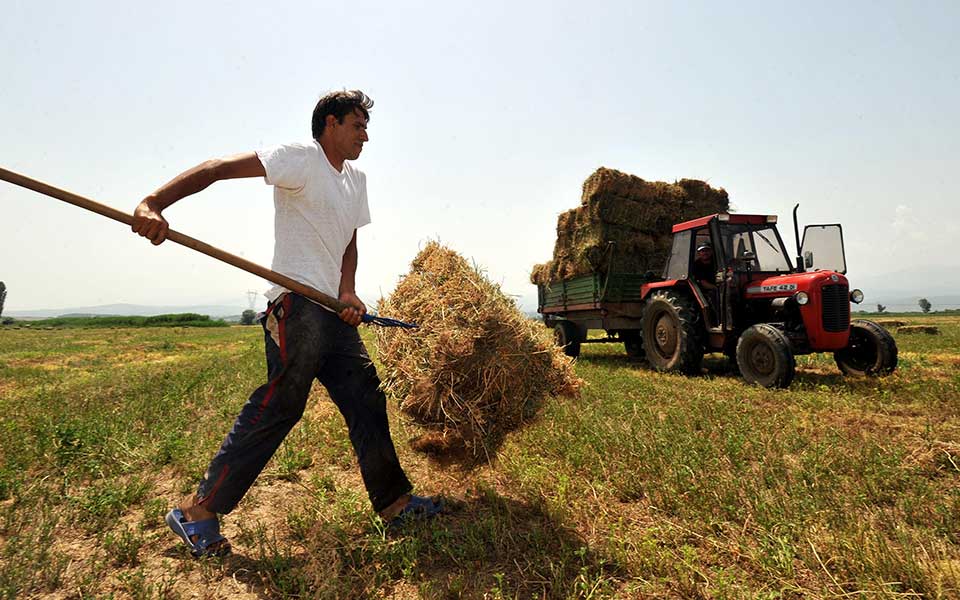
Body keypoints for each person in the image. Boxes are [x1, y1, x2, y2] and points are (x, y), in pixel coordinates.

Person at [132, 90, 440, 558]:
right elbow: (216, 168)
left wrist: (347, 290)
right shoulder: (300, 159)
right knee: (282, 404)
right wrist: (154, 202)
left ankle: (395, 503)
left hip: (333, 311)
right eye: (358, 125)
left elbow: (348, 242)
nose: (366, 135)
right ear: (330, 124)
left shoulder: (356, 179)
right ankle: (197, 512)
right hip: (295, 304)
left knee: (366, 397)